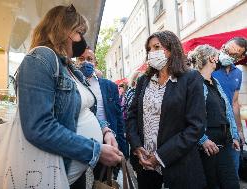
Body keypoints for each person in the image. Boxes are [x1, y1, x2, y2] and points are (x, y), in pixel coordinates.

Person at [16, 5, 122, 189]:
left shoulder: (69, 67)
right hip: (55, 174)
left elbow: (83, 109)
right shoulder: (39, 59)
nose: (83, 39)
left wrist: (104, 130)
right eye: (80, 32)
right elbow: (39, 127)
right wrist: (95, 151)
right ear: (64, 31)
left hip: (74, 175)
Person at [126, 30, 206, 189]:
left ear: (172, 49)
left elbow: (196, 126)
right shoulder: (143, 80)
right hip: (145, 165)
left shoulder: (191, 78)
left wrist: (160, 156)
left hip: (179, 166)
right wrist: (136, 146)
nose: (152, 53)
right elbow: (132, 115)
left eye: (157, 47)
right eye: (149, 49)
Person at [188, 44, 240, 189]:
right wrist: (203, 139)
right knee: (212, 184)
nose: (219, 60)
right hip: (207, 145)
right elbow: (188, 116)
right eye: (217, 57)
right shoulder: (194, 81)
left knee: (231, 183)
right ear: (212, 58)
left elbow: (227, 109)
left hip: (225, 141)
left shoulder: (215, 81)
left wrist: (234, 134)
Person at [77, 48, 129, 178]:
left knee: (104, 182)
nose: (85, 63)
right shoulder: (73, 84)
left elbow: (118, 118)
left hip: (108, 144)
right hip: (81, 144)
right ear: (76, 61)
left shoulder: (109, 86)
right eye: (81, 59)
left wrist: (123, 149)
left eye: (89, 59)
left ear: (96, 63)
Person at [212, 37, 247, 175]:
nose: (228, 55)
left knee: (232, 171)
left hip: (231, 130)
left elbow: (235, 103)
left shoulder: (238, 73)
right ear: (223, 47)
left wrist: (239, 131)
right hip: (213, 127)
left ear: (239, 57)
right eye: (227, 50)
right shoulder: (210, 67)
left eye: (234, 54)